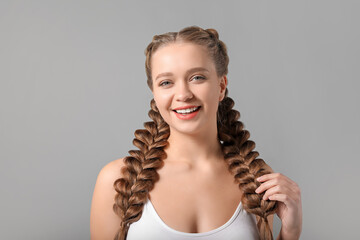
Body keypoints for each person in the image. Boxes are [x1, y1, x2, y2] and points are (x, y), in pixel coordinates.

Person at [90, 26, 302, 240]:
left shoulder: (256, 177)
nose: (183, 94)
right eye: (166, 82)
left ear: (221, 86)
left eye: (197, 77)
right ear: (154, 94)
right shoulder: (117, 180)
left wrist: (291, 232)